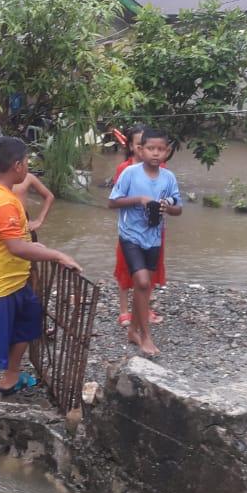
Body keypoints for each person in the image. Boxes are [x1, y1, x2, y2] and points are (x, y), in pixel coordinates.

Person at [0, 137, 81, 400]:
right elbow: (16, 247)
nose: (28, 167)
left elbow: (13, 239)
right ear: (18, 165)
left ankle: (11, 376)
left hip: (14, 279)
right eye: (27, 162)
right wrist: (56, 255)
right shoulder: (3, 201)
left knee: (29, 322)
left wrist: (39, 248)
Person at [108, 128, 182, 357]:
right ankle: (146, 336)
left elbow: (178, 208)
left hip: (154, 237)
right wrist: (139, 199)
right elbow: (113, 202)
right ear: (141, 150)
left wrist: (167, 207)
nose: (156, 154)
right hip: (130, 235)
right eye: (151, 149)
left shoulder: (168, 177)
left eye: (161, 150)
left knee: (146, 284)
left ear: (167, 152)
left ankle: (133, 330)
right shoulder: (130, 173)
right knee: (140, 281)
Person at [112, 125, 166, 327]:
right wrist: (139, 200)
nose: (149, 150)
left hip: (154, 228)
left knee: (150, 269)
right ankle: (124, 310)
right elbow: (116, 199)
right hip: (130, 229)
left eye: (153, 146)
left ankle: (144, 308)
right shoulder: (125, 170)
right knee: (126, 266)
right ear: (134, 147)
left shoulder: (162, 170)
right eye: (141, 144)